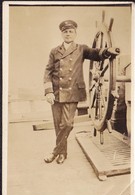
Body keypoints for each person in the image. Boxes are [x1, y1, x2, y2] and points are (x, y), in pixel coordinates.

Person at [43, 20, 120, 164]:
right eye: (65, 32)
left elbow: (96, 54)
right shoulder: (54, 51)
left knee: (67, 124)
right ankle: (62, 153)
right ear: (62, 34)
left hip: (72, 92)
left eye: (70, 31)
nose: (68, 34)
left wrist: (107, 51)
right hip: (56, 92)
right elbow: (48, 71)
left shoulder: (81, 49)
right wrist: (48, 91)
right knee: (58, 124)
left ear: (75, 34)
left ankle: (54, 151)